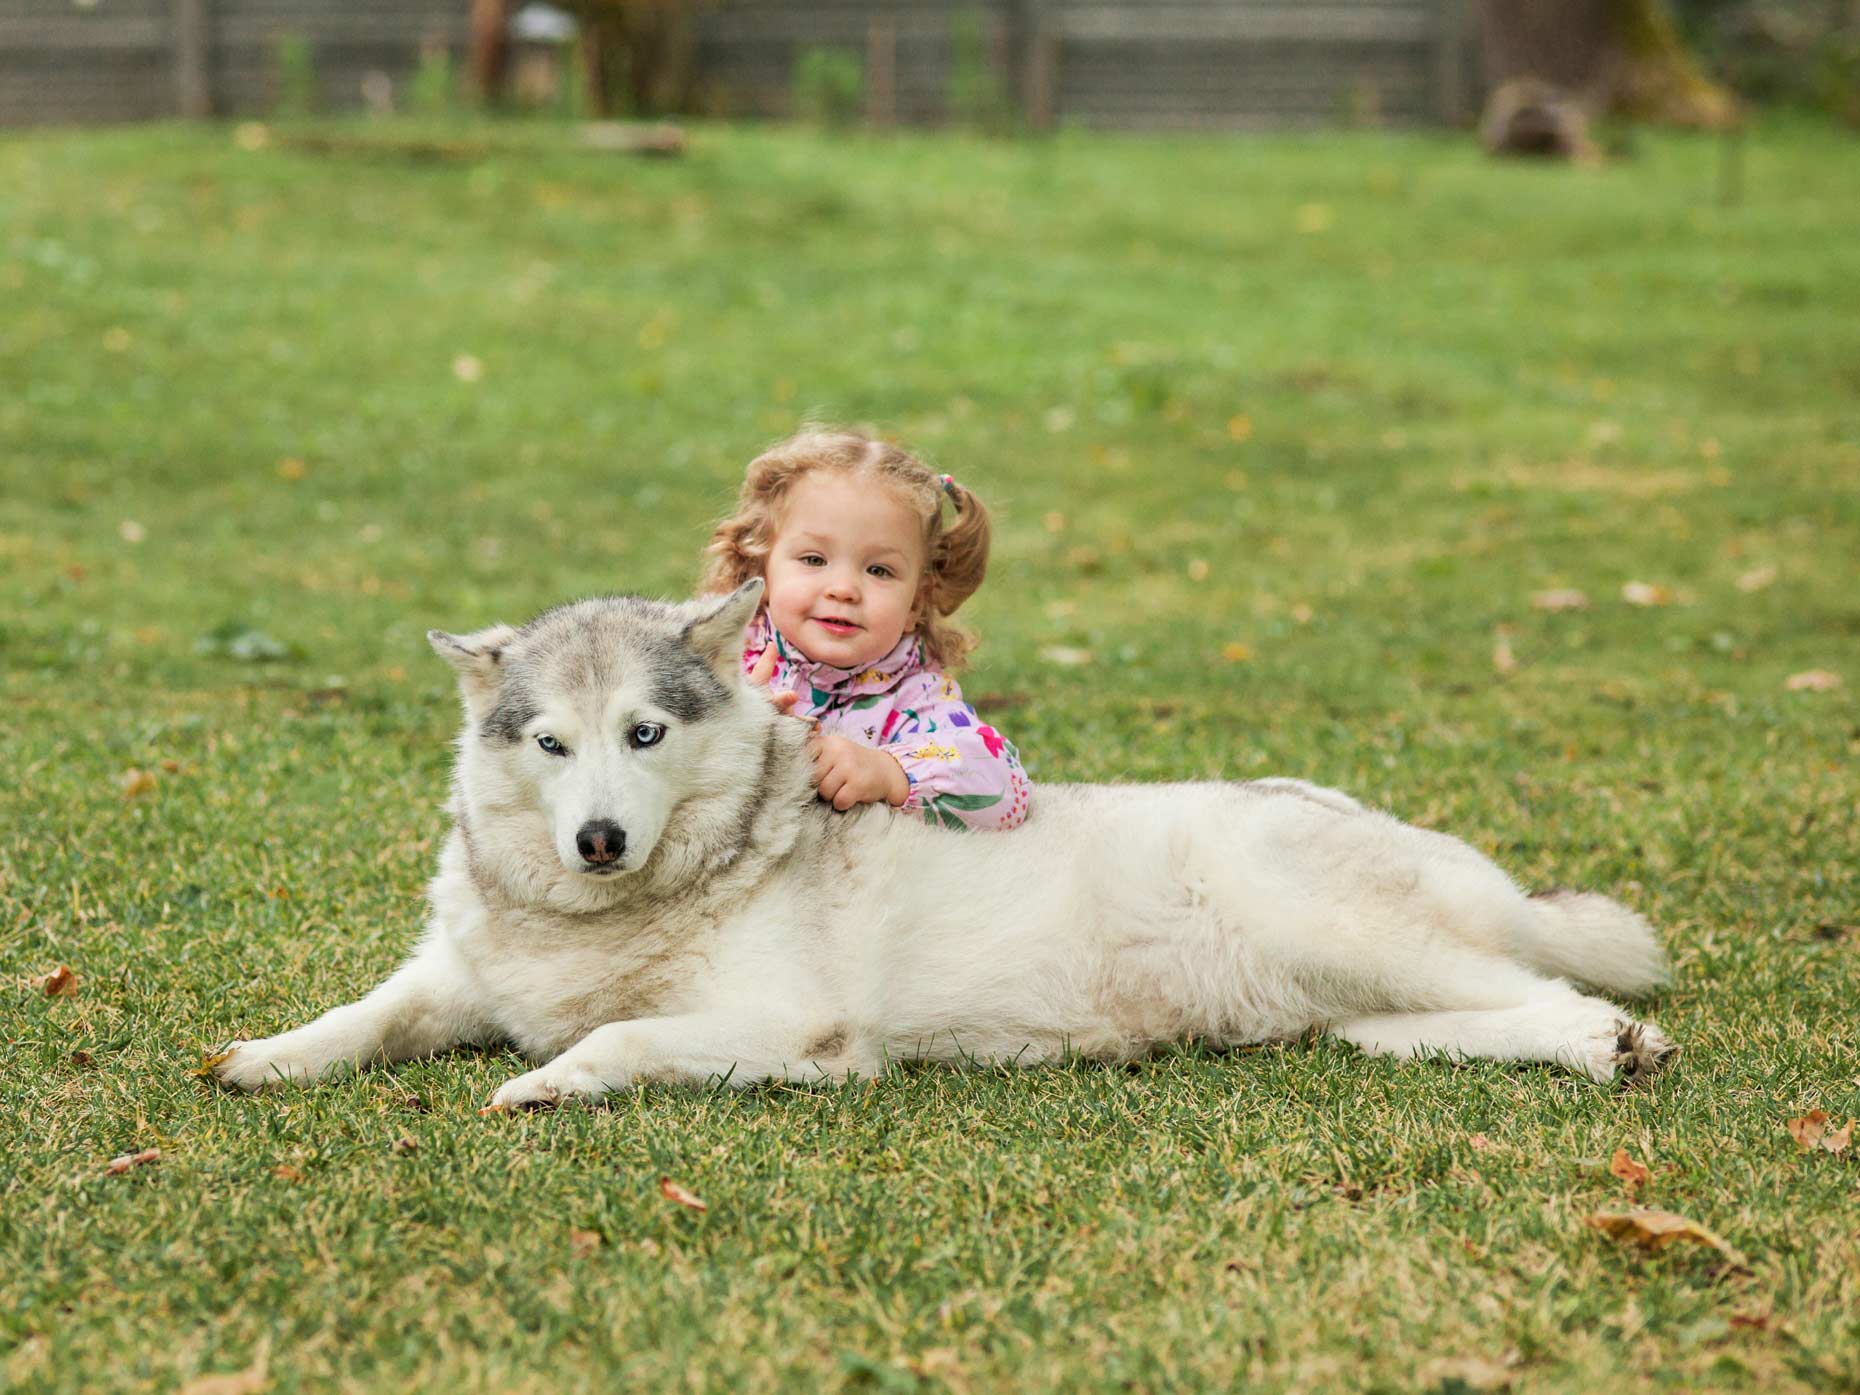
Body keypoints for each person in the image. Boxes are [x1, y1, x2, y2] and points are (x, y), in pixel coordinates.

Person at [702, 428, 1031, 831]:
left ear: (916, 603)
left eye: (879, 570)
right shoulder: (713, 653)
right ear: (760, 569)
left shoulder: (912, 694)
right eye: (813, 559)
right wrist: (737, 724)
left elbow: (1007, 790)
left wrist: (888, 772)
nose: (843, 589)